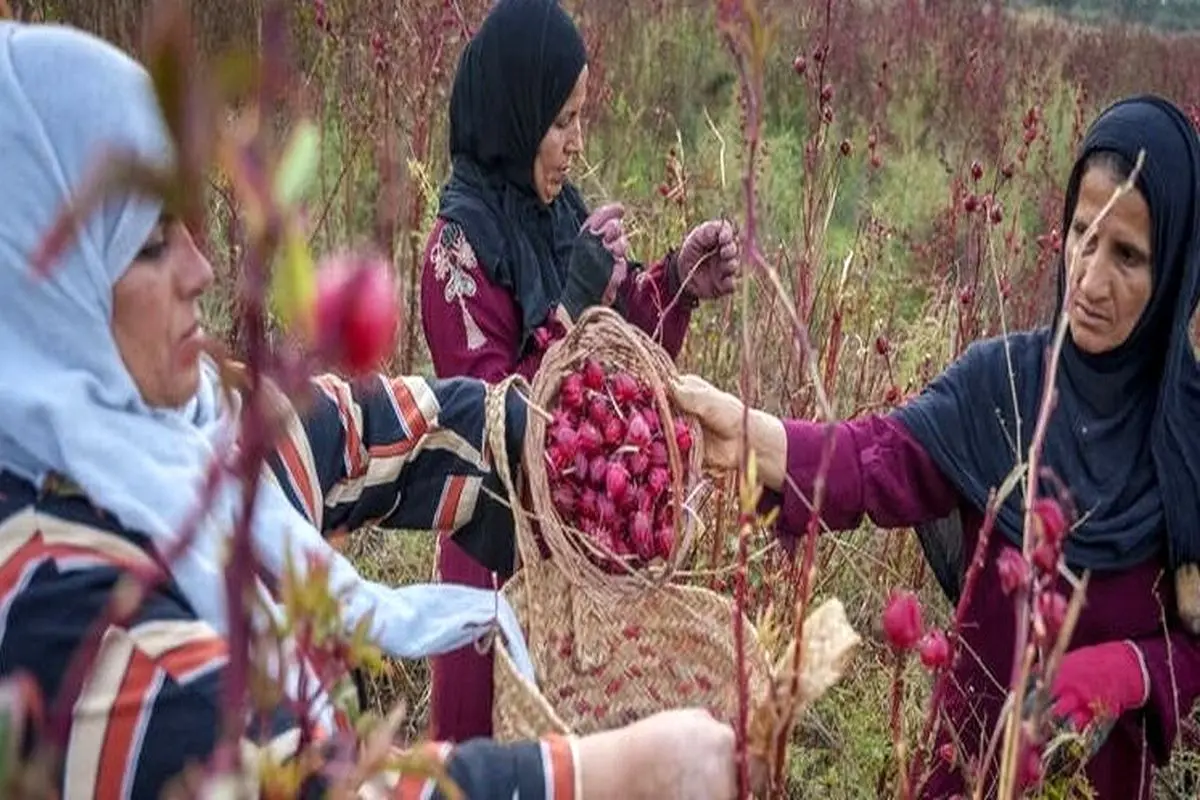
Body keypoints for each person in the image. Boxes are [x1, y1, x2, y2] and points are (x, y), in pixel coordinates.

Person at [0, 20, 746, 799]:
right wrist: (603, 776)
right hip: (492, 575)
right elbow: (309, 785)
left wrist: (570, 441)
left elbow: (359, 430)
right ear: (36, 286)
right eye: (149, 245)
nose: (201, 267)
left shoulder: (175, 436)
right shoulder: (81, 631)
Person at [672, 94, 1200, 799]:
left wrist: (1127, 671)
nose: (1091, 278)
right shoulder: (1004, 386)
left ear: (1175, 278)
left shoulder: (1187, 445)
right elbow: (873, 458)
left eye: (1129, 256)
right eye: (1083, 233)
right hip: (965, 774)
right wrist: (749, 435)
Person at [419, 0, 741, 744]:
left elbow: (616, 372)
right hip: (494, 559)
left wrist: (674, 282)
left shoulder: (561, 214)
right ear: (517, 110)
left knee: (567, 752)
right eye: (561, 121)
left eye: (579, 118)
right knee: (485, 754)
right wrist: (567, 300)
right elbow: (495, 421)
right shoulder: (457, 252)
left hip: (577, 559)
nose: (574, 143)